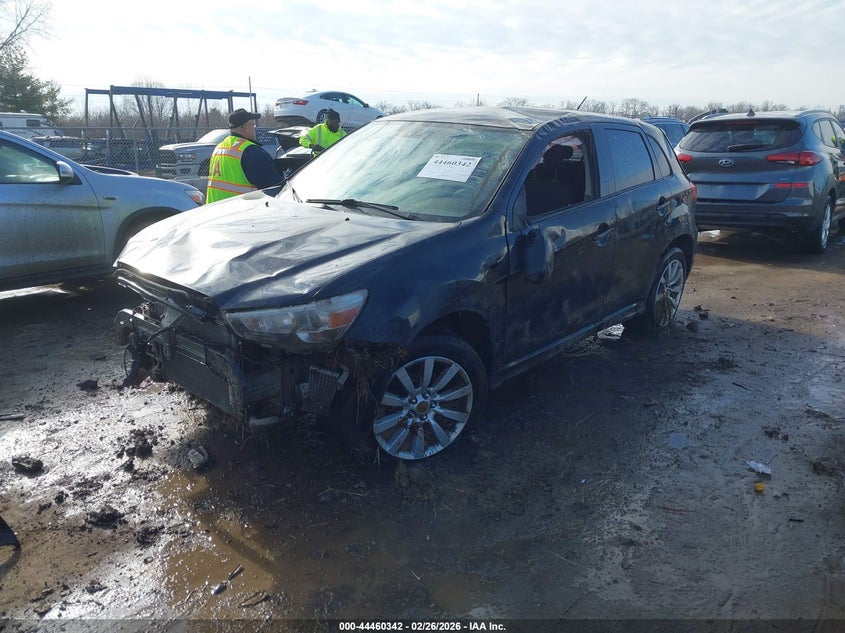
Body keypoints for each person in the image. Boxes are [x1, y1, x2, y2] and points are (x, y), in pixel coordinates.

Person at [206, 108, 283, 203]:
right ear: (245, 127)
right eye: (253, 125)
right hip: (242, 209)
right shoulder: (250, 152)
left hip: (215, 209)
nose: (254, 128)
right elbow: (276, 189)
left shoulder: (219, 148)